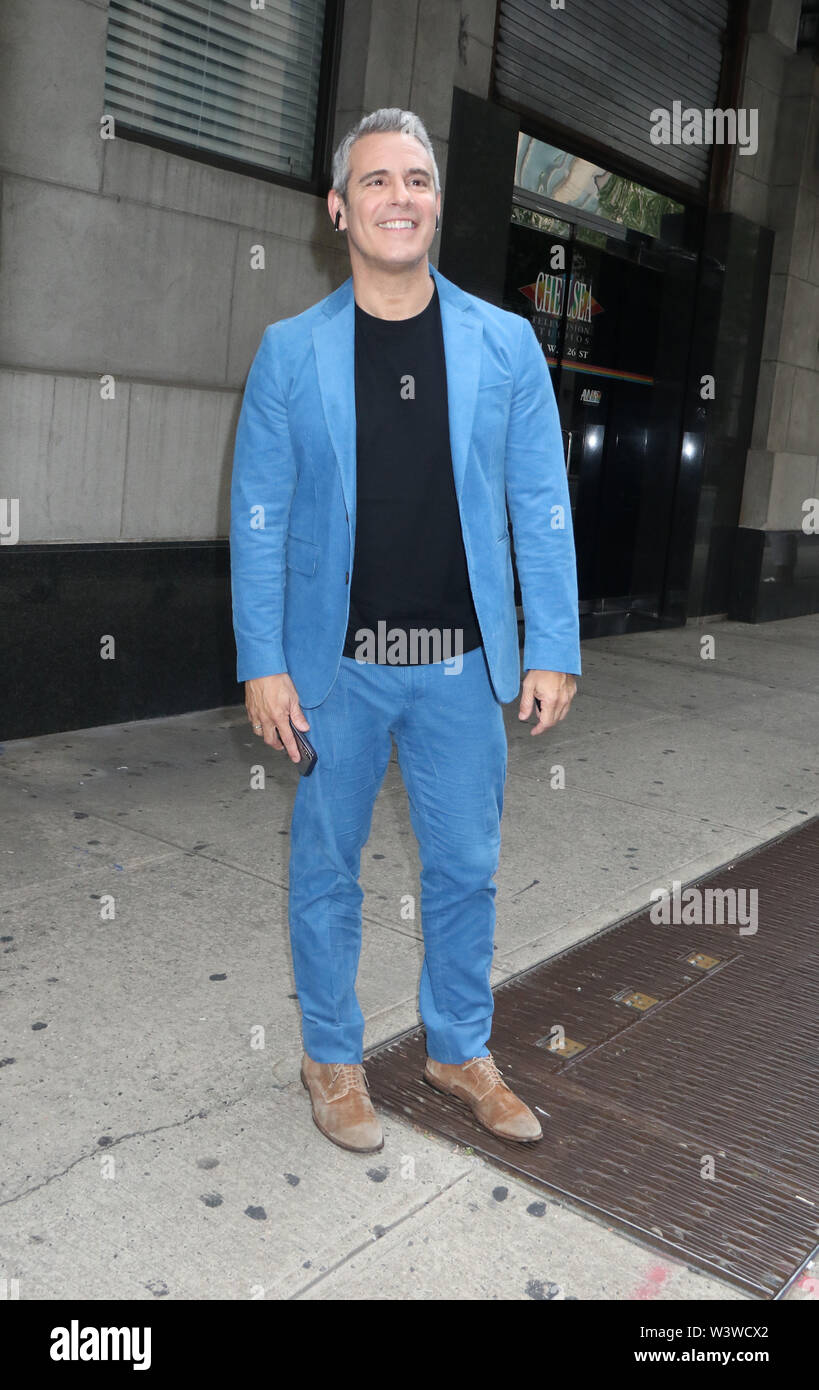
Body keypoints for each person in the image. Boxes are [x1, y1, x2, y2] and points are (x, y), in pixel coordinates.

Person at [229, 107, 580, 1155]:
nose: (398, 197)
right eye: (375, 181)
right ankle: (332, 1058)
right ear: (339, 207)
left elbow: (540, 499)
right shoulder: (291, 353)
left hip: (462, 672)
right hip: (336, 669)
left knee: (466, 866)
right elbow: (259, 517)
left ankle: (458, 1046)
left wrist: (552, 641)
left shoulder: (504, 344)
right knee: (328, 867)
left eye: (416, 180)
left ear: (437, 202)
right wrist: (263, 663)